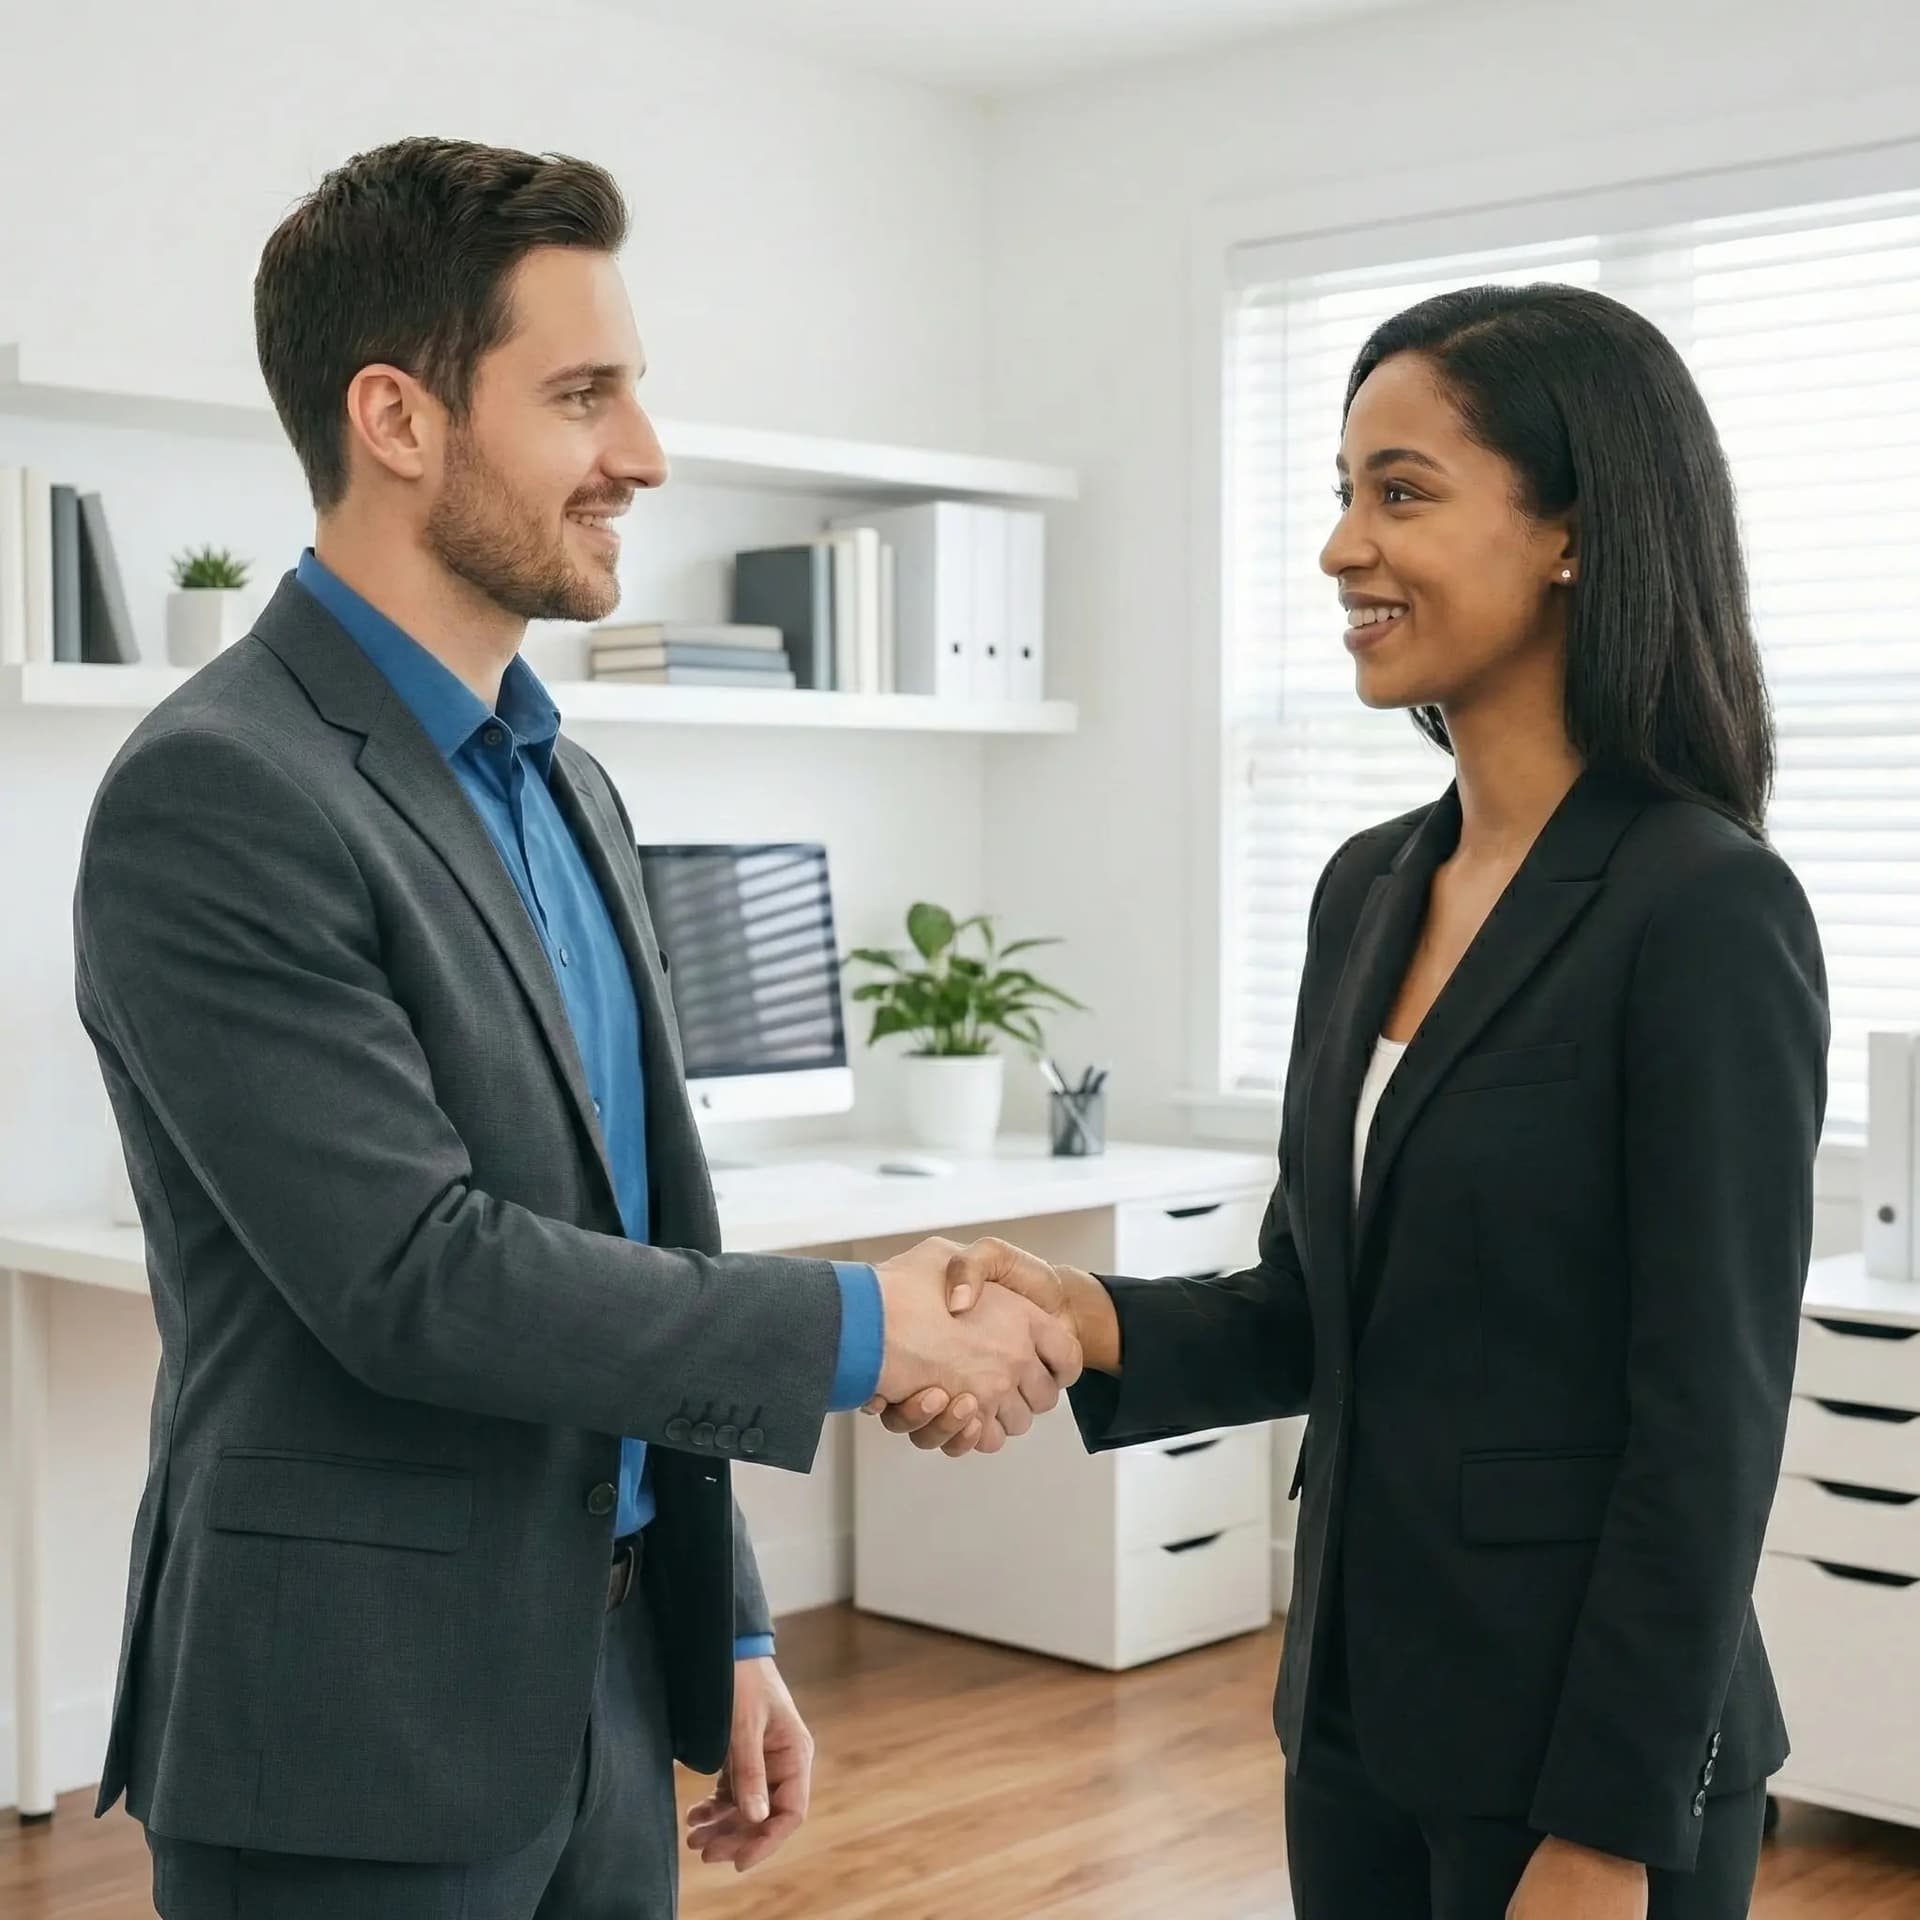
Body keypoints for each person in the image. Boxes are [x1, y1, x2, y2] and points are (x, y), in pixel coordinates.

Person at [73, 136, 1078, 1920]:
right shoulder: (220, 793)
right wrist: (871, 1326)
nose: (646, 454)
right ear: (397, 417)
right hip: (351, 1726)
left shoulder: (573, 784)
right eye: (583, 394)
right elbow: (418, 1277)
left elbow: (636, 1244)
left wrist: (732, 1616)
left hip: (608, 1690)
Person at [879, 284, 1830, 1920]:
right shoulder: (1369, 889)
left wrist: (1606, 1833)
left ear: (1573, 537)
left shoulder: (1703, 907)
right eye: (1339, 490)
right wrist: (1079, 1311)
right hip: (1359, 1728)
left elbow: (1710, 1426)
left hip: (1586, 1775)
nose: (1339, 549)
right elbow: (1315, 1308)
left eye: (1401, 491)